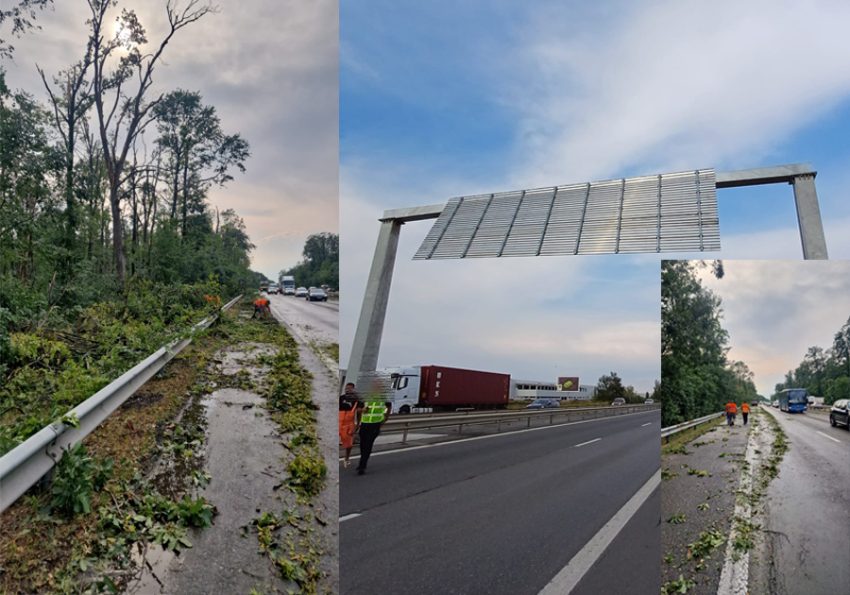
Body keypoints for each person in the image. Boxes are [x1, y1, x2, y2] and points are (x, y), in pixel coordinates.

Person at [355, 378, 393, 475]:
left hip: (375, 425)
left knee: (368, 444)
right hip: (364, 424)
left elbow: (389, 407)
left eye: (378, 385)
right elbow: (358, 409)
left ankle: (362, 466)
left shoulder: (383, 397)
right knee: (362, 445)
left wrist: (386, 418)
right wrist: (362, 410)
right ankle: (362, 461)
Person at [339, 394, 358, 467]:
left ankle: (346, 458)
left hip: (348, 425)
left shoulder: (356, 401)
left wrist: (355, 426)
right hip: (339, 422)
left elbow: (356, 414)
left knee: (349, 445)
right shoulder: (341, 398)